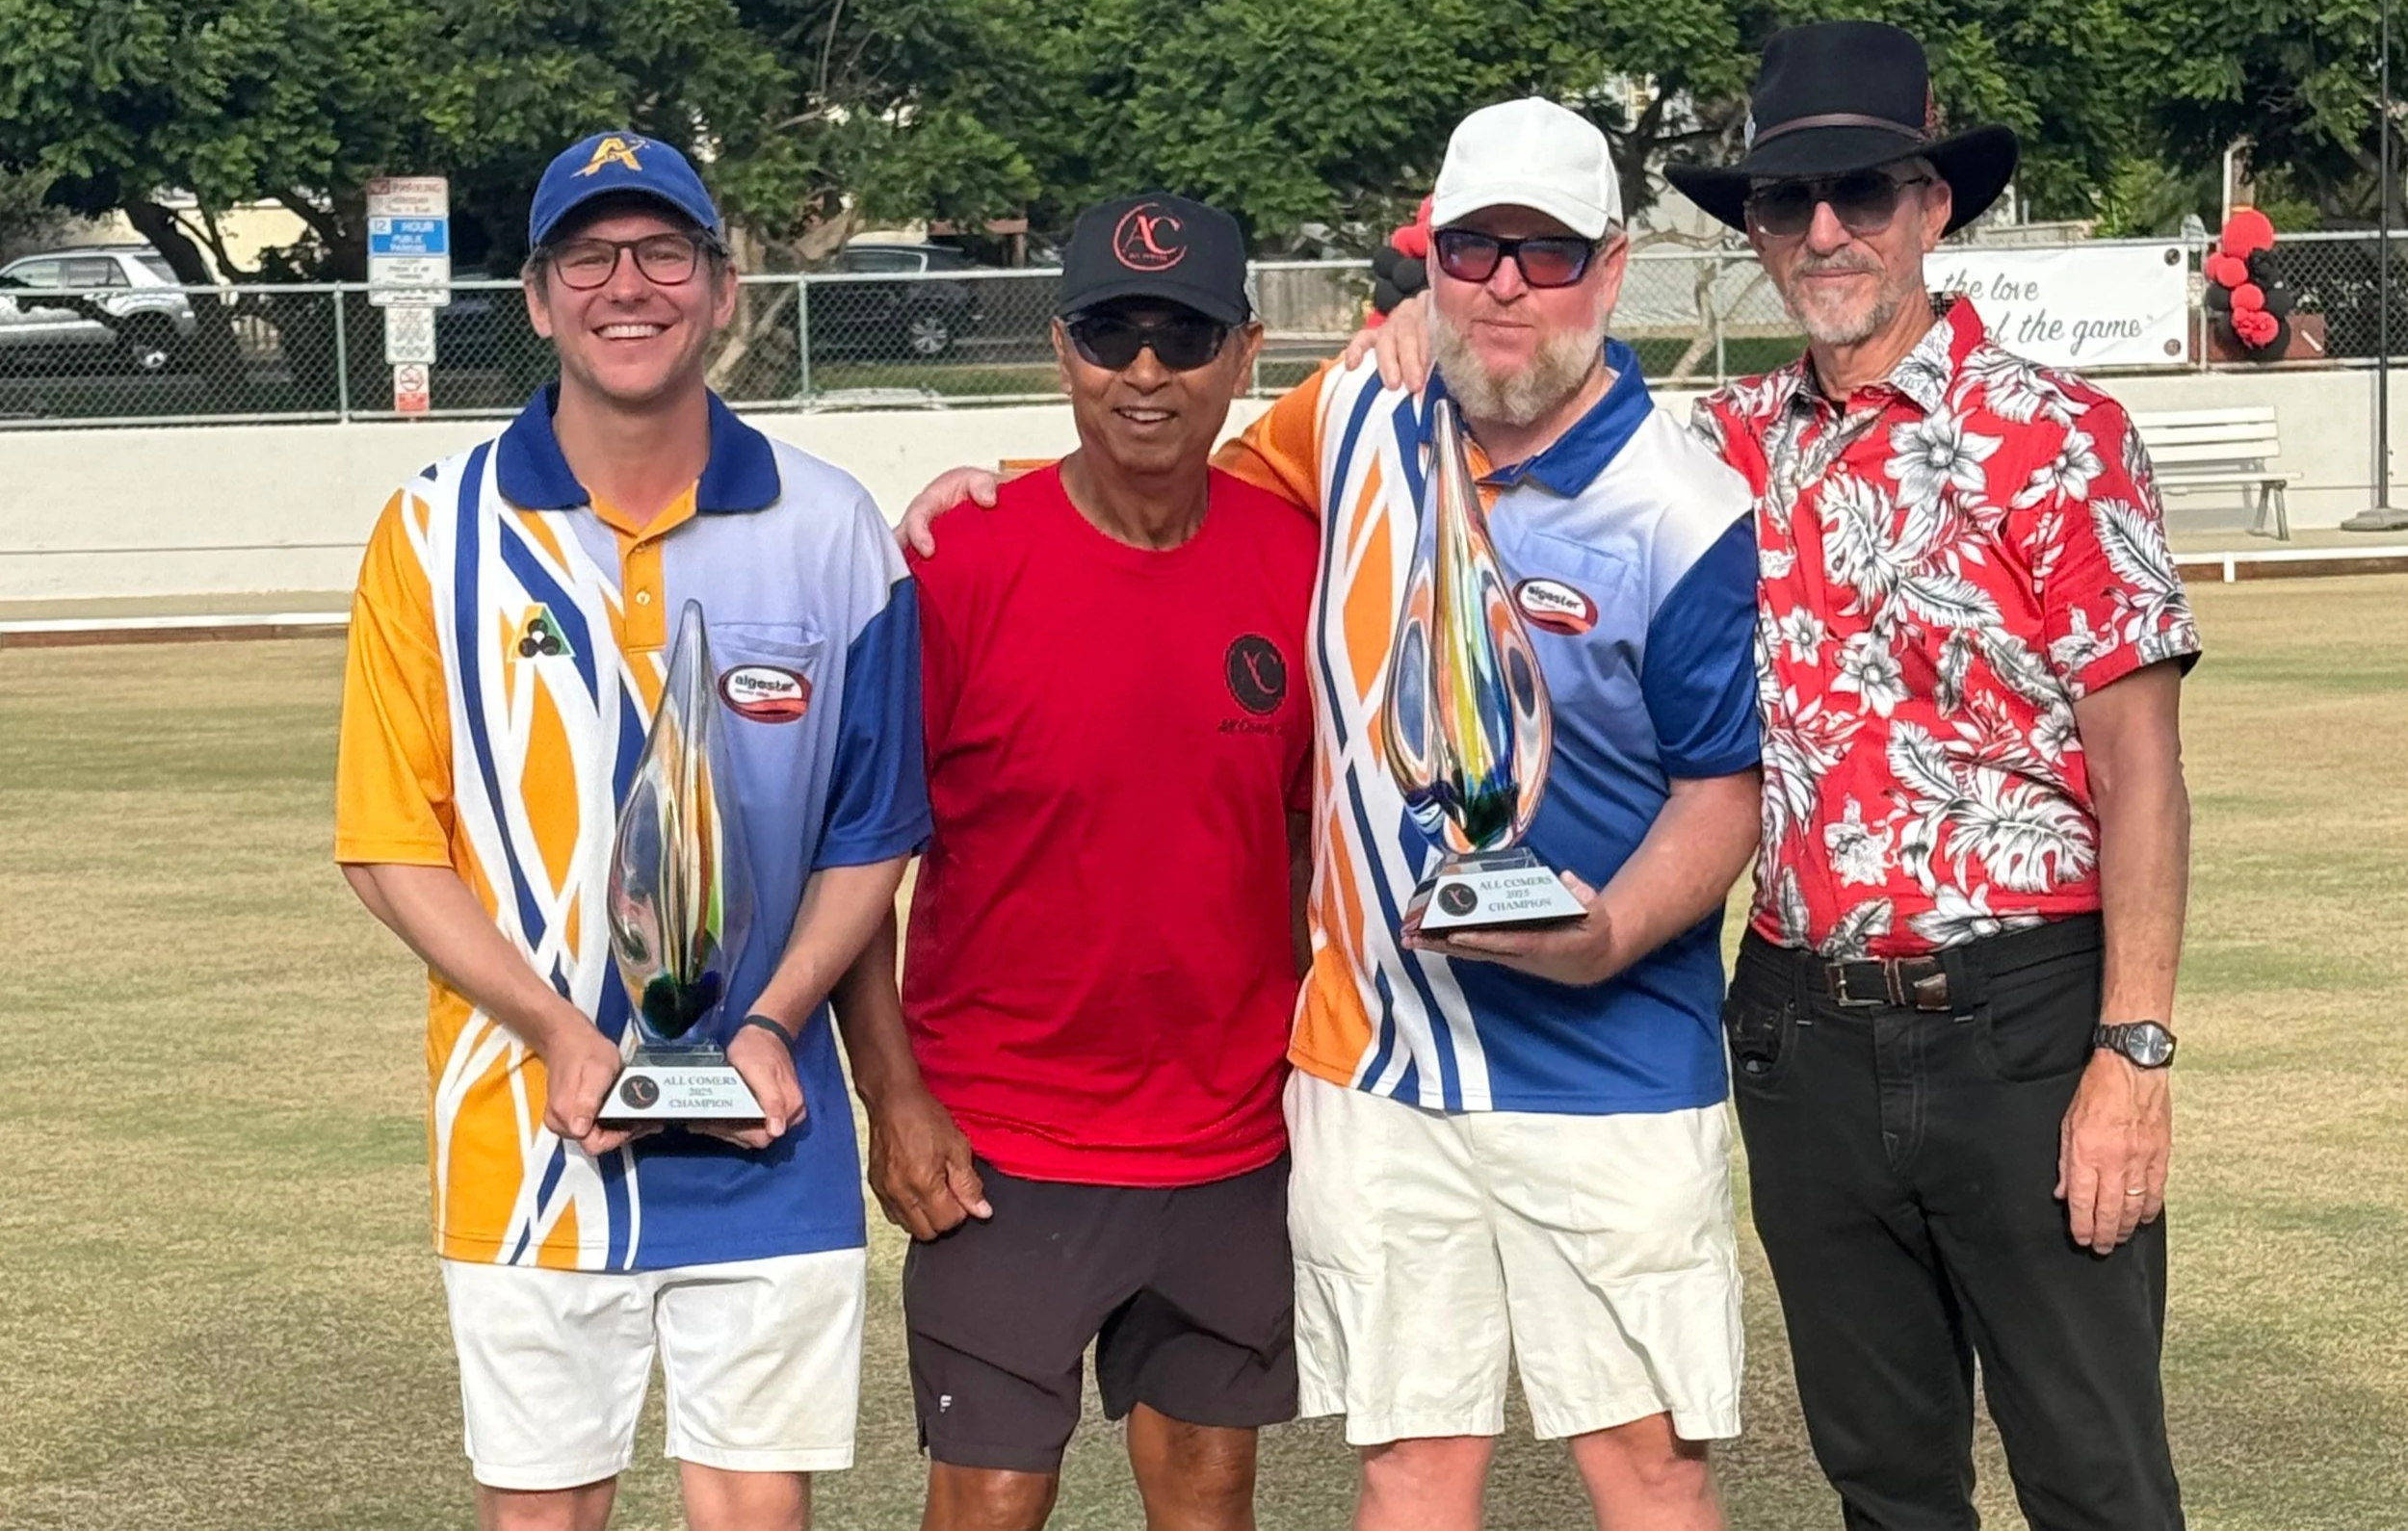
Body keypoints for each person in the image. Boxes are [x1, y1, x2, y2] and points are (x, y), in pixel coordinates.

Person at [1355, 21, 2199, 1531]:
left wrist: (2131, 1055)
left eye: (1862, 192)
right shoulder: (1722, 449)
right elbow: (1531, 376)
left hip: (2019, 1013)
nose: (1824, 231)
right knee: (1883, 1478)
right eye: (1786, 200)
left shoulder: (2058, 440)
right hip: (1802, 1030)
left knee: (2093, 1473)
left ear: (1932, 206)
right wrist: (1413, 334)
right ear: (1749, 228)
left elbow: (2141, 768)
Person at [903, 101, 1765, 1531]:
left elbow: (1723, 790)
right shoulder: (1354, 412)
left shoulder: (1682, 503)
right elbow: (1155, 483)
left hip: (1610, 1066)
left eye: (1543, 255)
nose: (1504, 285)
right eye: (1474, 248)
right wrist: (988, 490)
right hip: (1376, 1066)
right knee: (1413, 1467)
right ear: (1429, 259)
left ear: (1610, 274)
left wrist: (1606, 933)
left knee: (1648, 1464)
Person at [335, 130, 929, 1531]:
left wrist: (775, 1020)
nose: (629, 285)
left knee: (753, 1508)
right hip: (527, 1132)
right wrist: (554, 1027)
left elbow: (872, 832)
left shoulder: (833, 530)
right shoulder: (434, 533)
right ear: (538, 297)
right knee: (543, 1513)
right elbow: (386, 841)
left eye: (665, 251)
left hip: (768, 1137)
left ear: (721, 288)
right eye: (590, 256)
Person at [833, 193, 1317, 1531]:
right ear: (1062, 350)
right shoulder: (958, 560)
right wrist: (897, 1096)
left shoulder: (1296, 560)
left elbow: (1300, 842)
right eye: (1112, 335)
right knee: (991, 1496)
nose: (1145, 373)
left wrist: (1302, 1070)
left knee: (1211, 1493)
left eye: (1184, 335)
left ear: (1242, 353)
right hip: (1004, 1138)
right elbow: (860, 857)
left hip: (1227, 1139)